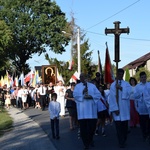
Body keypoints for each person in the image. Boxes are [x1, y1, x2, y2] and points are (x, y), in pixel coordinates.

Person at [73, 73, 101, 149]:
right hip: (82, 112)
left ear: (86, 77)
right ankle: (86, 144)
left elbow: (98, 95)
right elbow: (75, 96)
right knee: (83, 129)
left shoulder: (92, 86)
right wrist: (82, 93)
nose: (82, 78)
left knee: (92, 127)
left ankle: (90, 139)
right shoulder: (77, 87)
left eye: (84, 77)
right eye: (81, 77)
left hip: (91, 111)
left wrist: (92, 96)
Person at [109, 68, 132, 148]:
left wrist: (121, 88)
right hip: (117, 109)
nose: (120, 75)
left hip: (124, 109)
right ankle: (120, 142)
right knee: (118, 128)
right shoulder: (113, 85)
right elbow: (111, 98)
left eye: (122, 74)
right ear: (117, 74)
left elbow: (130, 93)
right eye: (119, 74)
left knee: (125, 128)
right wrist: (115, 109)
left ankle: (124, 139)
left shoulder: (126, 84)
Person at [134, 71, 150, 142]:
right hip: (141, 107)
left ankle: (148, 134)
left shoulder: (149, 85)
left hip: (149, 106)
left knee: (149, 122)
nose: (143, 78)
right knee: (143, 122)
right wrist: (141, 94)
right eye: (142, 77)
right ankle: (144, 134)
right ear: (140, 78)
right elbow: (135, 96)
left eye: (144, 77)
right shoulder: (137, 87)